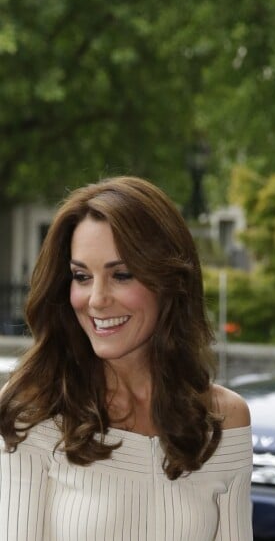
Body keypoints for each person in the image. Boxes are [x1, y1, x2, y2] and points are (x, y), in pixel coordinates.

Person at [0, 176, 253, 540]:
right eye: (82, 276)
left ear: (168, 281)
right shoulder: (34, 407)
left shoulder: (223, 419)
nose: (97, 299)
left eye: (121, 275)